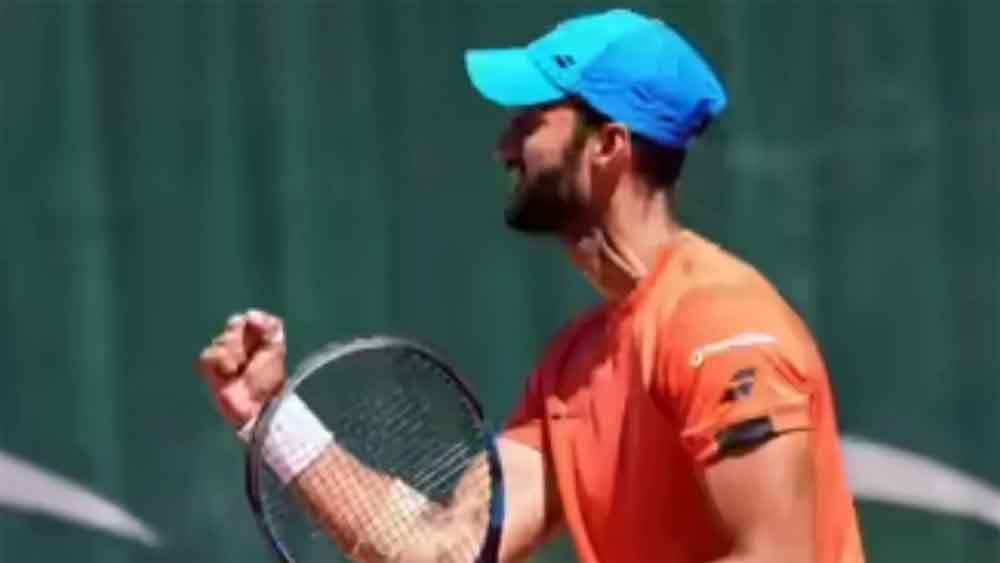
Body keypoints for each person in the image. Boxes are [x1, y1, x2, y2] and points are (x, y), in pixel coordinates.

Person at [198, 8, 864, 563]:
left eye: (533, 118)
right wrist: (270, 416)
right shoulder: (573, 367)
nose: (504, 146)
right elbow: (443, 551)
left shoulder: (720, 325)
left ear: (609, 146)